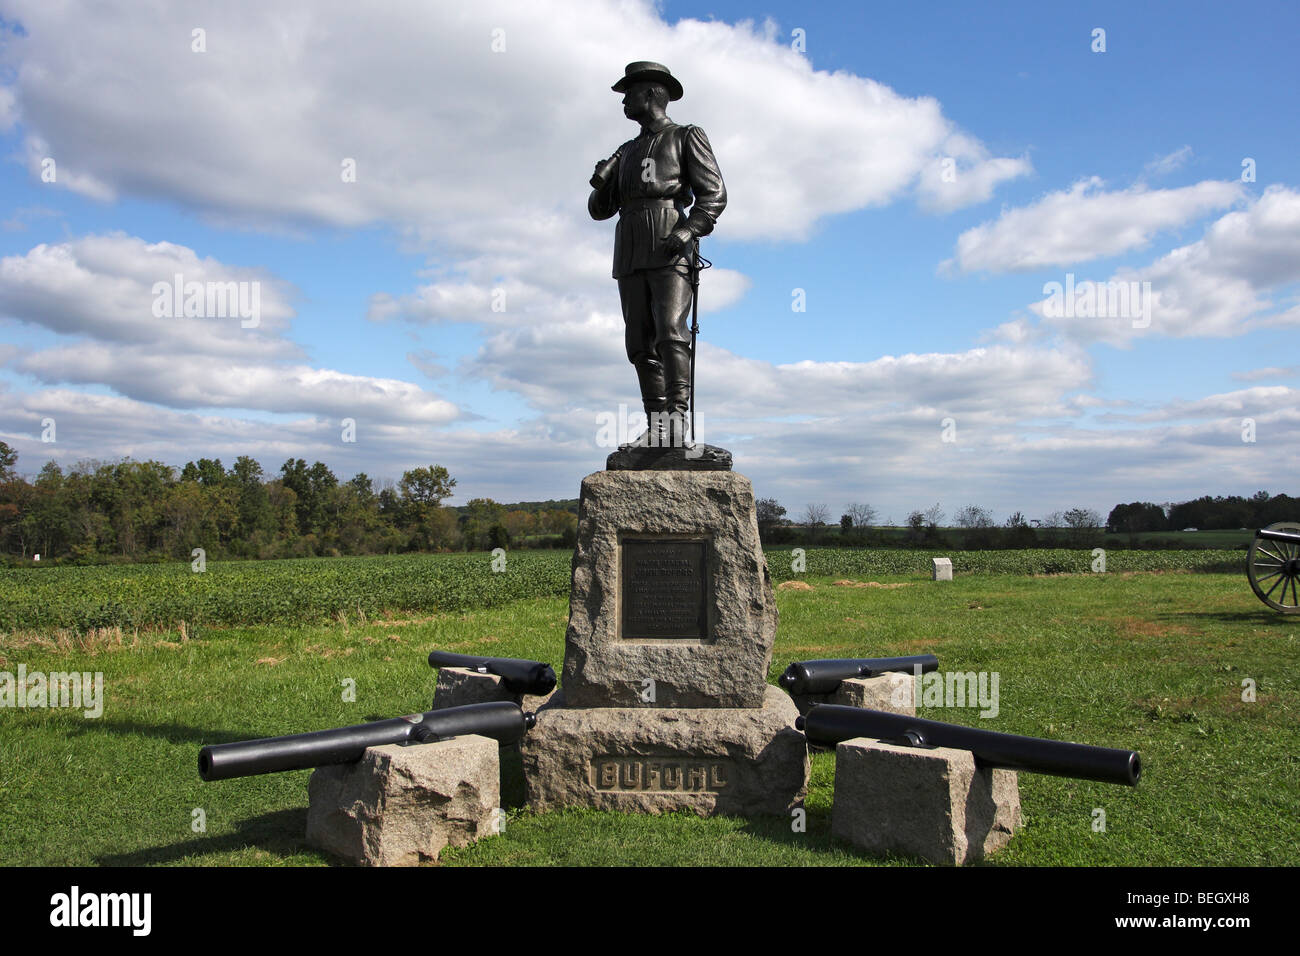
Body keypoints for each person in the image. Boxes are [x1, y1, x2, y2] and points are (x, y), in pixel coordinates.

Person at [588, 61, 727, 447]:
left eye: (629, 93)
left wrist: (688, 229)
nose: (624, 102)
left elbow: (713, 195)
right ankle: (658, 427)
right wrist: (601, 183)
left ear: (650, 94)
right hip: (630, 242)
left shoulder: (685, 136)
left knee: (670, 332)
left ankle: (677, 421)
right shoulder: (626, 151)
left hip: (669, 239)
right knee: (639, 342)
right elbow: (599, 211)